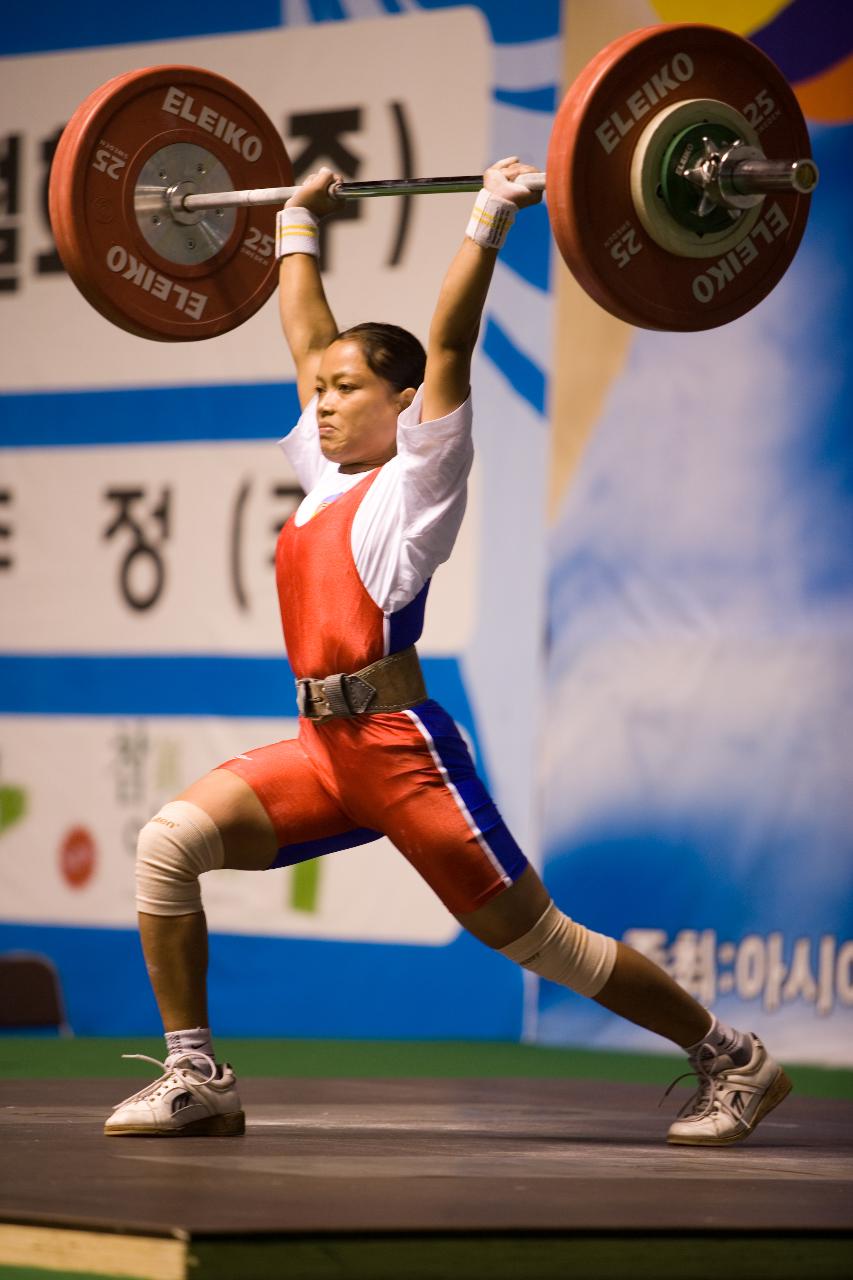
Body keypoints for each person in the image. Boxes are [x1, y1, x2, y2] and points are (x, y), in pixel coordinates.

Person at [105, 158, 791, 1146]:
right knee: (169, 842)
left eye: (348, 388)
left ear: (402, 402)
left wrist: (486, 216)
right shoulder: (323, 472)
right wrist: (295, 223)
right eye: (321, 391)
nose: (326, 401)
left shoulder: (418, 479)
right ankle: (195, 1073)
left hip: (397, 748)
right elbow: (306, 335)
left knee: (541, 941)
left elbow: (452, 339)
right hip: (322, 750)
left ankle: (734, 1057)